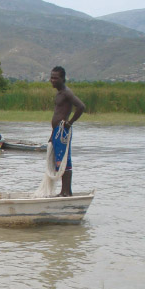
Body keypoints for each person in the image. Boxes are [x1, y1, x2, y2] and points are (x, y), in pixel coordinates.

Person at [49, 66, 86, 197]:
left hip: (62, 131)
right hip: (57, 132)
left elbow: (81, 106)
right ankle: (66, 191)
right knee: (60, 160)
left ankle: (65, 192)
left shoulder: (66, 92)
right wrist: (52, 134)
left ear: (63, 79)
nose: (52, 80)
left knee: (63, 161)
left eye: (56, 78)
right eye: (51, 77)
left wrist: (69, 123)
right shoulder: (59, 93)